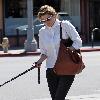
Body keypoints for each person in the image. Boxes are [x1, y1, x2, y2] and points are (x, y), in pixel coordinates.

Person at [34, 5, 82, 100]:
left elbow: (78, 41)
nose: (46, 22)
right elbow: (44, 53)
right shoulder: (42, 32)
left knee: (59, 98)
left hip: (66, 67)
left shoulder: (65, 25)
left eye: (48, 19)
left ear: (54, 15)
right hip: (51, 70)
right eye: (43, 20)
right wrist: (39, 61)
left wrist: (68, 51)